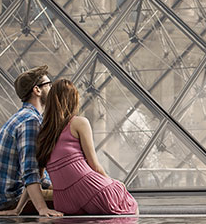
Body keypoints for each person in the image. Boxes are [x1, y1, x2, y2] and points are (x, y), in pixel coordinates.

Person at [35, 79, 138, 215]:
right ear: (73, 100)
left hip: (63, 201)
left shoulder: (43, 132)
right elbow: (94, 165)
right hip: (90, 189)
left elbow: (37, 176)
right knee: (130, 203)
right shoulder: (79, 123)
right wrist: (113, 182)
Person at [0, 65, 64, 217]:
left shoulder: (24, 117)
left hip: (9, 197)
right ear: (37, 90)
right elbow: (30, 171)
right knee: (82, 196)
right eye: (49, 85)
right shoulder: (30, 121)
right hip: (13, 200)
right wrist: (42, 209)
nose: (52, 89)